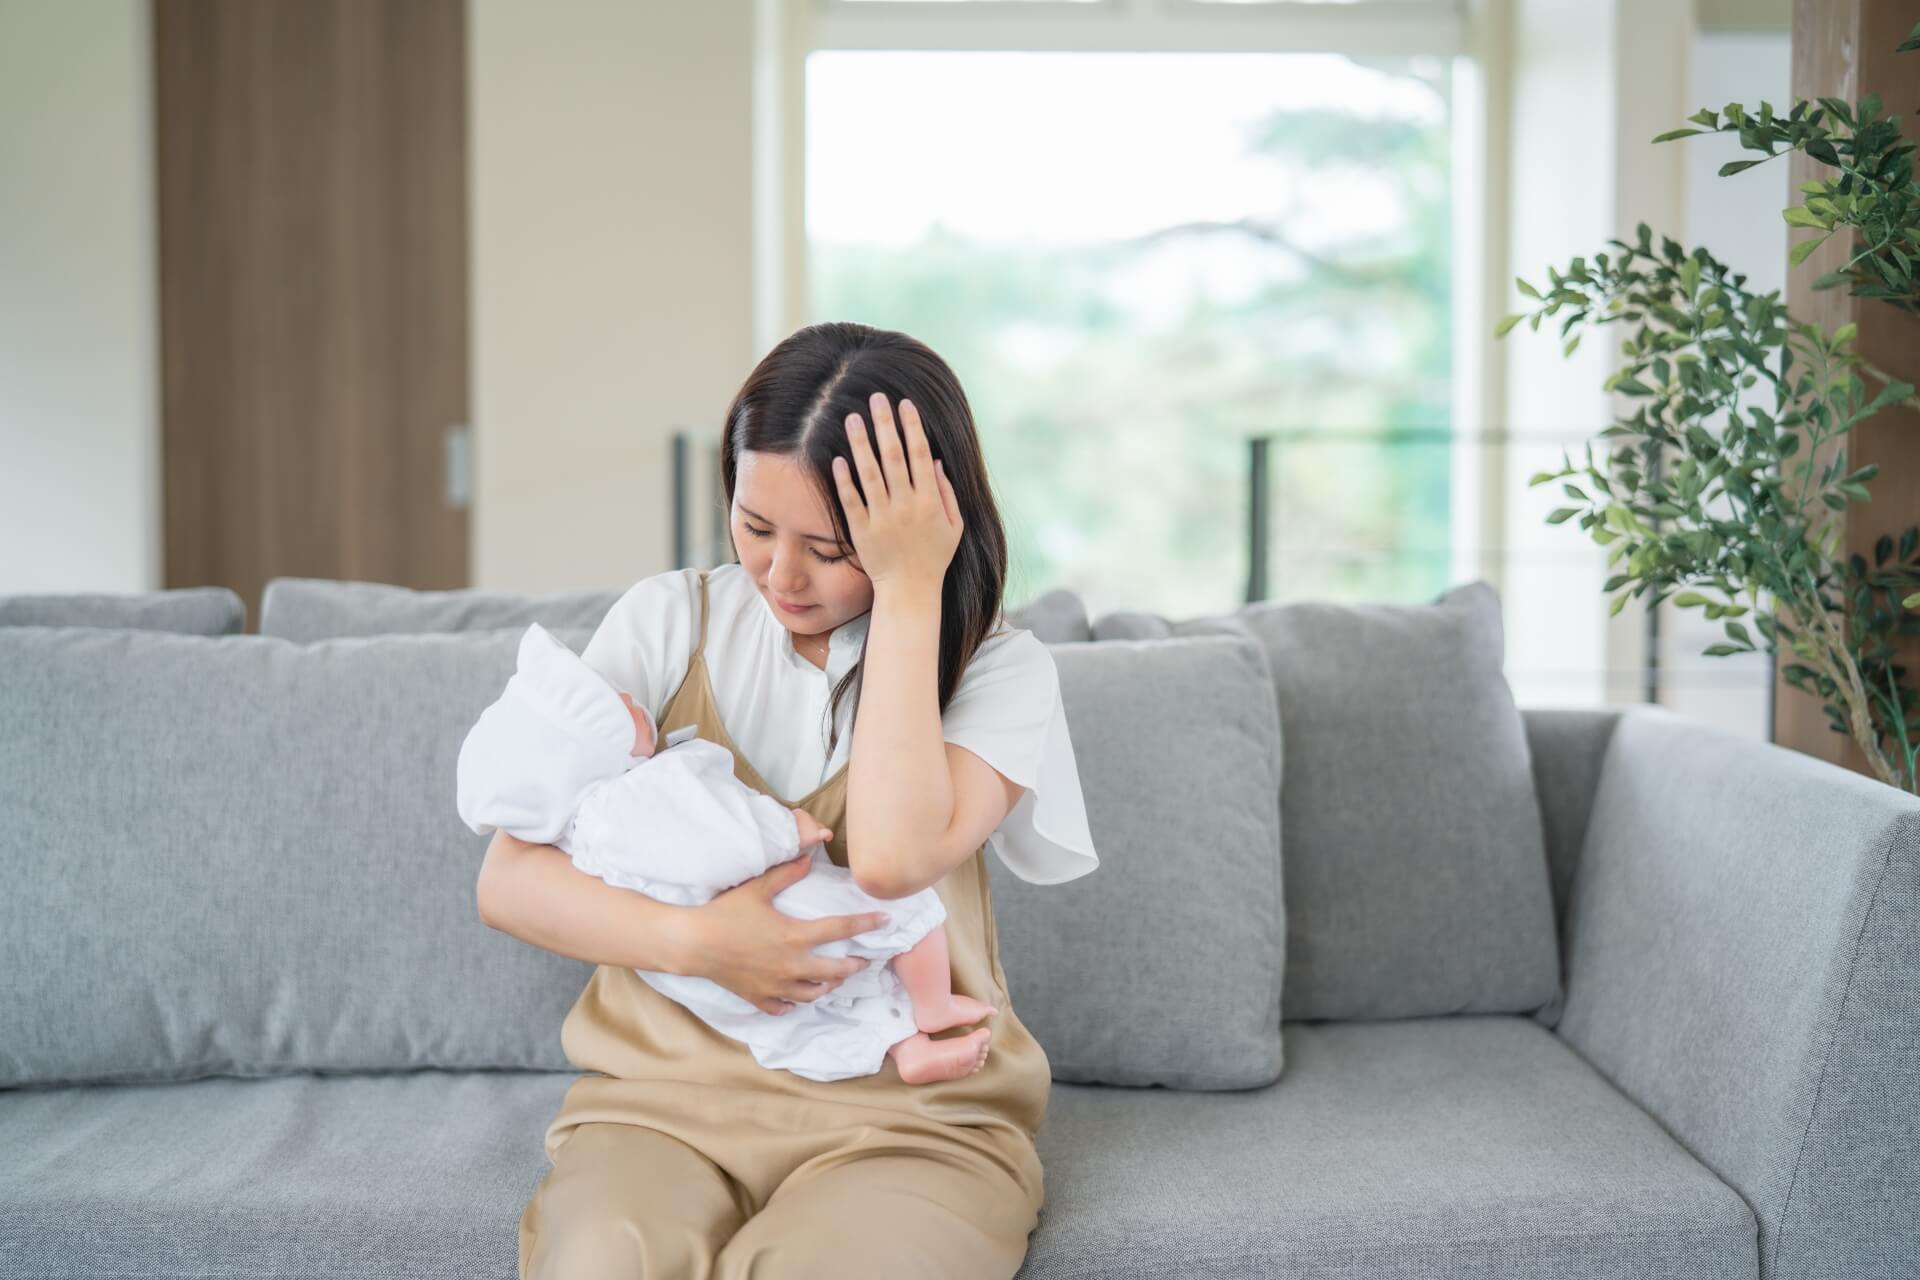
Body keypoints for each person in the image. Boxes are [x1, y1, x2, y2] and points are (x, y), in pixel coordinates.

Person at [475, 321, 1101, 1279]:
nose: (780, 575)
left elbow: (891, 857)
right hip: (663, 1109)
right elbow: (509, 883)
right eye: (755, 526)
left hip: (910, 1127)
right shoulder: (667, 621)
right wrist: (701, 947)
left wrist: (908, 590)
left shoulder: (1000, 674)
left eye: (830, 547)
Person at [453, 618, 989, 1085]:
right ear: (591, 749)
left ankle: (905, 1048)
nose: (632, 702)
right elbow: (711, 842)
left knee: (825, 1011)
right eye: (756, 529)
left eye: (823, 551)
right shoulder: (631, 799)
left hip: (714, 992)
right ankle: (932, 1005)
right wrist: (782, 833)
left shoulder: (585, 829)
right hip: (765, 922)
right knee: (905, 912)